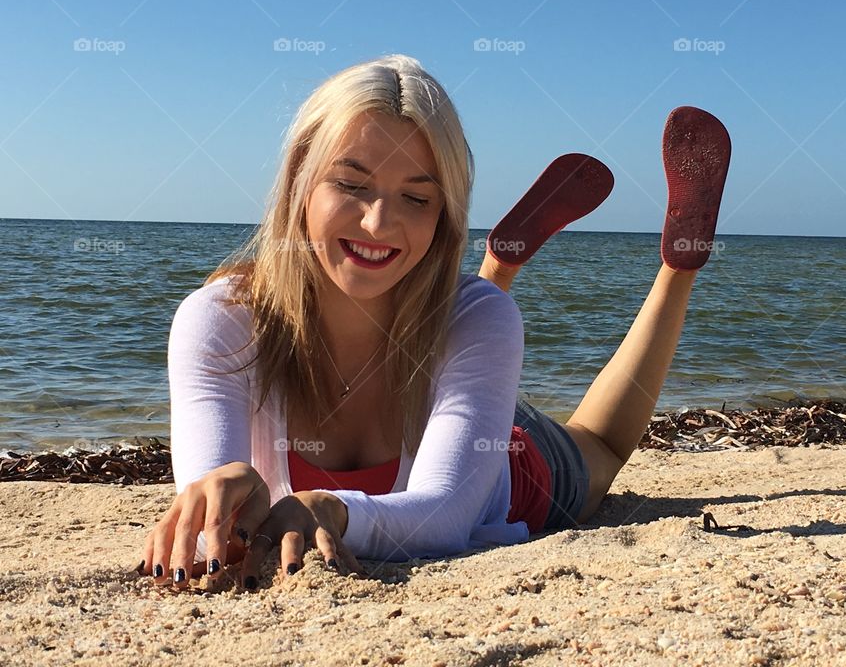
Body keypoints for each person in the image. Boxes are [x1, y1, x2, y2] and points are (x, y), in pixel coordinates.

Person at [136, 54, 730, 591]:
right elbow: (210, 508)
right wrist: (223, 489)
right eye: (350, 183)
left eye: (417, 199)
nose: (376, 222)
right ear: (298, 180)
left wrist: (334, 509)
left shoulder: (479, 325)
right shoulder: (221, 321)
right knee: (470, 320)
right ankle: (493, 269)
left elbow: (447, 513)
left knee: (599, 446)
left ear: (445, 216)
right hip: (451, 362)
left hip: (502, 462)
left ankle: (678, 266)